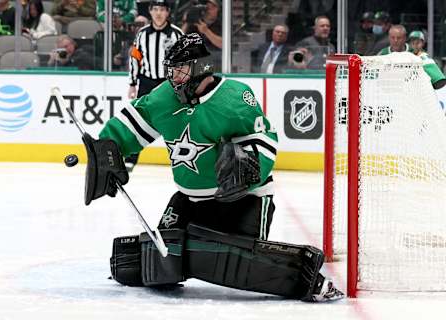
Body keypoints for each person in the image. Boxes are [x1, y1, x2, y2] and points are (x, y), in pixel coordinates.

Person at [81, 33, 344, 302]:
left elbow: (264, 141)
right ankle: (197, 249)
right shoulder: (163, 98)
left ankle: (305, 277)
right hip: (189, 200)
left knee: (230, 260)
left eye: (179, 70)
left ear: (199, 68)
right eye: (171, 70)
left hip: (243, 201)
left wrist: (247, 170)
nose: (173, 78)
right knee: (158, 263)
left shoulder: (234, 98)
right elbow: (130, 125)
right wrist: (107, 153)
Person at [126, 0, 183, 170]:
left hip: (169, 85)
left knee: (175, 123)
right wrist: (132, 83)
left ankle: (180, 160)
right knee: (139, 121)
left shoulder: (177, 34)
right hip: (146, 83)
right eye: (155, 9)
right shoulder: (142, 34)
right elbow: (135, 58)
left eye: (162, 10)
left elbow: (184, 62)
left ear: (168, 13)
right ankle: (131, 158)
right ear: (150, 11)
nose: (158, 13)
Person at [182, 0, 222, 67]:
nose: (209, 10)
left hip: (215, 60)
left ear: (218, 9)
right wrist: (186, 21)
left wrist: (206, 31)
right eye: (207, 7)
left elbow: (223, 44)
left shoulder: (222, 24)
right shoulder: (196, 22)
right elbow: (179, 40)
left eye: (212, 7)